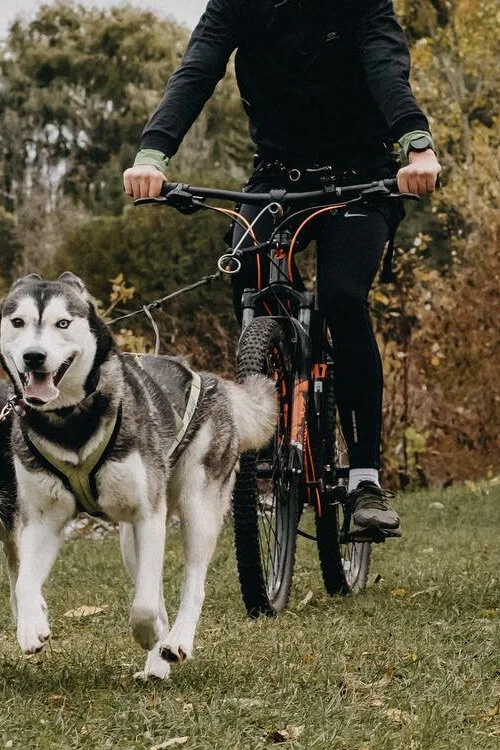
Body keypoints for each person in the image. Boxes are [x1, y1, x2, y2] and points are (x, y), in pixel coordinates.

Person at [123, 0, 440, 540]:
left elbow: (387, 65)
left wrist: (416, 145)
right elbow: (196, 70)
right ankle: (270, 419)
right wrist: (153, 154)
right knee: (247, 273)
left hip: (362, 178)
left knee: (342, 297)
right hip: (277, 176)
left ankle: (365, 477)